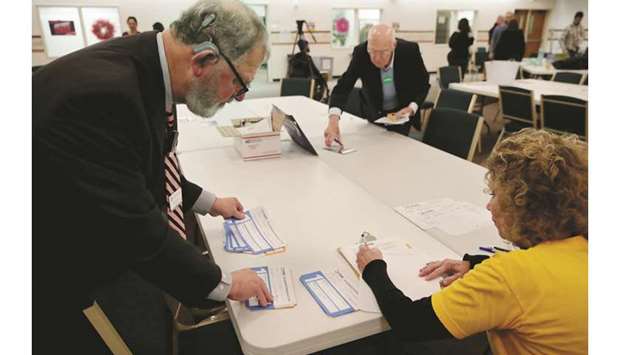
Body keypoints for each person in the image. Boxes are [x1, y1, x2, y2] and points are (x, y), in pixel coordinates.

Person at [33, 0, 272, 353]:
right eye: (240, 84)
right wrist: (225, 283)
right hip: (62, 279)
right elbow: (134, 228)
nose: (238, 98)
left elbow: (147, 165)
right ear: (204, 60)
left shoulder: (149, 65)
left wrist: (209, 202)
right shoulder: (102, 97)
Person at [357, 129, 587, 355]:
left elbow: (409, 323)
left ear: (522, 205)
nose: (489, 206)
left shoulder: (511, 275)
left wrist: (373, 268)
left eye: (495, 195)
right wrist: (475, 264)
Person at [324, 24, 429, 142]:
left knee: (398, 150)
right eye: (372, 52)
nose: (377, 58)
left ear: (393, 46)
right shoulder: (361, 52)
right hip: (374, 113)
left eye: (383, 53)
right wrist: (333, 121)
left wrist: (411, 107)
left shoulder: (409, 51)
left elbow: (423, 83)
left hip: (402, 113)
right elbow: (343, 87)